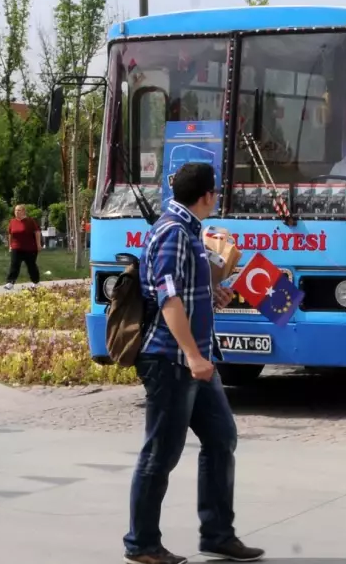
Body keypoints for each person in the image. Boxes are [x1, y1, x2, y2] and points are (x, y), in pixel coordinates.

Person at [124, 162, 264, 564]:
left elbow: (185, 290)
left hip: (195, 359)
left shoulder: (189, 232)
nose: (216, 198)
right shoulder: (172, 234)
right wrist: (192, 355)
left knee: (222, 439)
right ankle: (142, 544)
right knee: (160, 454)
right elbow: (168, 299)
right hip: (172, 360)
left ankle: (218, 534)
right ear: (205, 195)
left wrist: (213, 292)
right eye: (215, 192)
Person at [5, 204, 42, 290]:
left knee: (31, 266)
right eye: (15, 210)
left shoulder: (30, 221)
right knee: (14, 265)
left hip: (30, 248)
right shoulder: (12, 222)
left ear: (24, 211)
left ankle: (36, 282)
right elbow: (10, 234)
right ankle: (10, 282)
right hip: (16, 248)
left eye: (19, 210)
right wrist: (10, 245)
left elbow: (37, 232)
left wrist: (38, 244)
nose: (16, 212)